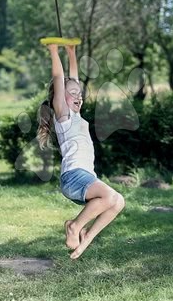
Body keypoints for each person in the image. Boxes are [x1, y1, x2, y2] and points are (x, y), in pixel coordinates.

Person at [37, 44, 125, 259]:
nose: (79, 96)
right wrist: (54, 51)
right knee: (109, 195)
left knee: (118, 201)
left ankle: (86, 237)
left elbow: (71, 80)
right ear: (59, 97)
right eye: (73, 93)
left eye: (80, 94)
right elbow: (59, 78)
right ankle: (75, 226)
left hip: (85, 176)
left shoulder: (76, 115)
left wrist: (71, 53)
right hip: (74, 176)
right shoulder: (63, 115)